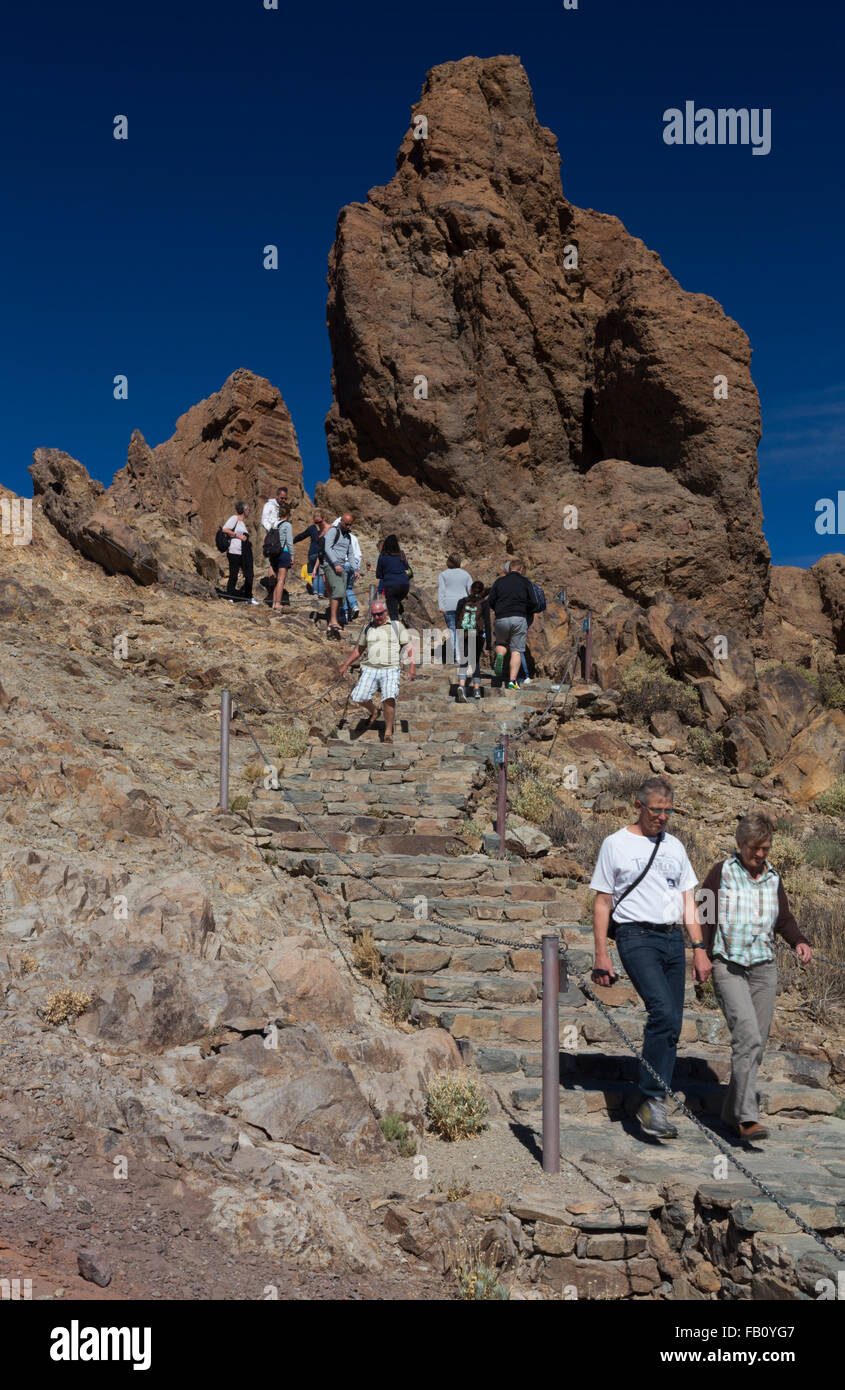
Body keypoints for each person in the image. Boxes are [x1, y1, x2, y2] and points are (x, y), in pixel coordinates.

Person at [590, 777, 701, 1140]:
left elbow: (688, 902)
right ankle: (653, 1100)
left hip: (672, 939)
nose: (663, 817)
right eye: (657, 810)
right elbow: (603, 901)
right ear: (638, 807)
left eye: (669, 811)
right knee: (662, 1012)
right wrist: (601, 954)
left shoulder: (676, 847)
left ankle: (655, 1100)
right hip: (635, 936)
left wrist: (698, 949)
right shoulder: (616, 844)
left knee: (673, 1023)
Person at [697, 813, 812, 1142]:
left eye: (766, 847)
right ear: (740, 845)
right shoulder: (722, 872)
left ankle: (731, 1112)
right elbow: (705, 915)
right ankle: (747, 1117)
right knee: (746, 1037)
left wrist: (800, 941)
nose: (761, 854)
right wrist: (700, 953)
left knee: (756, 1046)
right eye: (754, 848)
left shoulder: (774, 878)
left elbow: (784, 919)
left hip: (764, 968)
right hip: (728, 964)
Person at [338, 599, 415, 744]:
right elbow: (359, 649)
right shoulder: (368, 628)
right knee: (358, 697)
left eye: (379, 614)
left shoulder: (396, 626)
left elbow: (408, 646)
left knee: (389, 697)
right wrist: (346, 664)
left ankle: (387, 732)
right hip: (370, 668)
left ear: (385, 612)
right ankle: (374, 711)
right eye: (374, 615)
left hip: (390, 668)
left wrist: (412, 666)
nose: (377, 617)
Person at [487, 558, 537, 690]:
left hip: (501, 618)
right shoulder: (526, 582)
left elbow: (490, 600)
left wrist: (498, 609)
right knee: (516, 651)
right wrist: (527, 611)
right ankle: (512, 681)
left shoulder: (499, 581)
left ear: (509, 569)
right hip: (518, 617)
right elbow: (533, 602)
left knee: (501, 643)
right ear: (521, 570)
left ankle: (499, 655)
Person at [322, 513, 355, 638]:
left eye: (350, 524)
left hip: (342, 567)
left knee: (341, 595)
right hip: (331, 565)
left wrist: (355, 568)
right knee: (339, 590)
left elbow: (350, 553)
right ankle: (334, 621)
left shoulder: (348, 537)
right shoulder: (333, 531)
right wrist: (335, 563)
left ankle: (332, 622)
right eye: (346, 523)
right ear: (341, 521)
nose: (348, 526)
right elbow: (327, 548)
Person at [454, 581, 488, 701]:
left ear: (470, 589)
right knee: (475, 661)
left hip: (463, 633)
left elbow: (457, 618)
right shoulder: (484, 603)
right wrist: (488, 643)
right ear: (482, 591)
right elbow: (487, 623)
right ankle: (477, 690)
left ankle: (462, 686)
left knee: (464, 659)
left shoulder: (462, 601)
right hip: (477, 635)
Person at [221, 501, 259, 604]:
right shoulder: (235, 518)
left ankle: (248, 597)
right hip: (234, 551)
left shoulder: (242, 523)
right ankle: (229, 596)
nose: (249, 511)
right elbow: (225, 529)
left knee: (249, 573)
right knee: (234, 573)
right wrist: (238, 536)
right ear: (244, 510)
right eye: (248, 509)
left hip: (243, 552)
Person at [438, 554, 473, 662]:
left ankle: (457, 656)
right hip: (463, 605)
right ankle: (465, 655)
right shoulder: (466, 574)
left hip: (449, 605)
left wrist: (441, 606)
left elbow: (441, 591)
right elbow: (470, 590)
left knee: (453, 631)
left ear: (448, 562)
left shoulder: (443, 574)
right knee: (463, 630)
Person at [331, 515, 362, 623]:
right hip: (352, 566)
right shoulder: (353, 538)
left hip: (342, 565)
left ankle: (343, 613)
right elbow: (358, 555)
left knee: (340, 590)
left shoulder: (337, 535)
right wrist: (357, 569)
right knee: (348, 588)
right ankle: (354, 606)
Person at [376, 534, 412, 620]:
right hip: (404, 587)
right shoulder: (402, 554)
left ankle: (395, 629)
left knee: (393, 614)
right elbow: (406, 568)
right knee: (394, 605)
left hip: (392, 587)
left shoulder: (382, 556)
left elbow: (379, 575)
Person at [269, 501, 294, 610]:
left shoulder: (274, 525)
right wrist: (292, 556)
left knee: (277, 580)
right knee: (281, 580)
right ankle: (277, 604)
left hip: (274, 553)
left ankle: (274, 604)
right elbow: (289, 542)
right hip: (283, 552)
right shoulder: (287, 525)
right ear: (288, 515)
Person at [294, 513, 327, 594]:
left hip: (312, 553)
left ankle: (315, 591)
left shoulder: (312, 528)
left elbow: (302, 536)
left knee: (314, 572)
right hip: (320, 553)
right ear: (323, 519)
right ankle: (321, 593)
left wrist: (292, 541)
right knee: (321, 573)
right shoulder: (325, 528)